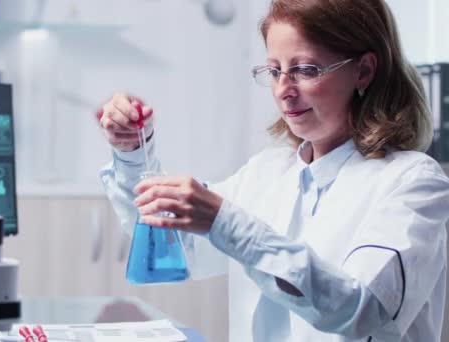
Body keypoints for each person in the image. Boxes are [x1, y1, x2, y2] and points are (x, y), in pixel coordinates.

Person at [97, 0, 449, 341]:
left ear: (364, 70)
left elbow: (358, 311)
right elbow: (180, 247)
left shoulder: (414, 183)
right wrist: (132, 153)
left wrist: (226, 223)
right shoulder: (268, 172)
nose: (283, 90)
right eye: (275, 70)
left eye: (306, 70)